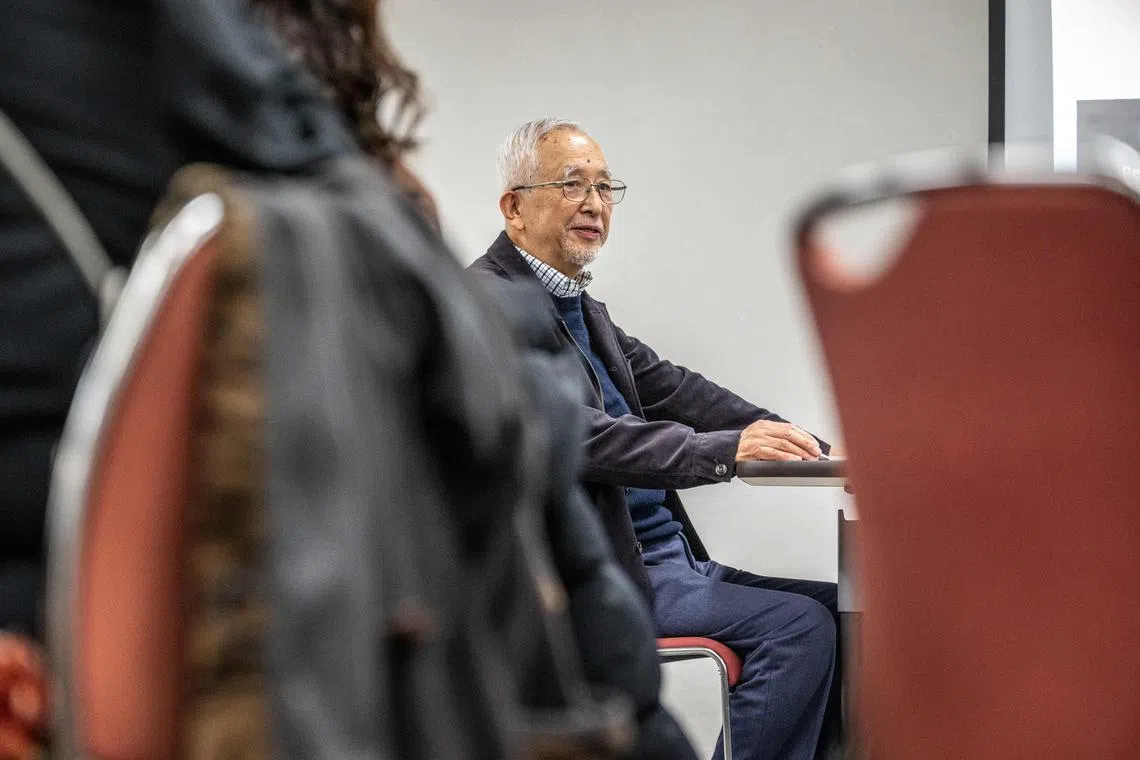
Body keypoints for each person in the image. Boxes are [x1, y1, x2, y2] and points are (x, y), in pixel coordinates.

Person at [469, 118, 842, 760]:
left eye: (606, 188)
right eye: (572, 184)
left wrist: (799, 441)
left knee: (846, 615)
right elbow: (590, 440)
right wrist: (726, 454)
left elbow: (677, 390)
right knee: (798, 628)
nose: (594, 204)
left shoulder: (585, 311)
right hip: (606, 576)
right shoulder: (485, 305)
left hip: (670, 563)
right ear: (514, 206)